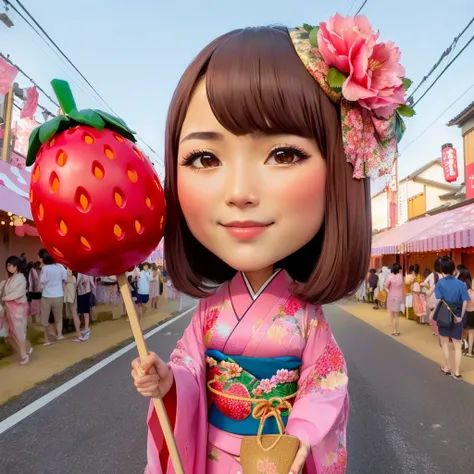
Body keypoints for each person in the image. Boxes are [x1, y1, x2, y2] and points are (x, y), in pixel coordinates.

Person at [130, 14, 410, 473]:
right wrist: (170, 381)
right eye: (205, 157)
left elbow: (326, 383)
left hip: (278, 457)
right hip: (216, 455)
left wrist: (299, 433)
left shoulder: (304, 316)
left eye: (283, 154)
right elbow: (189, 368)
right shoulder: (211, 312)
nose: (239, 192)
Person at [434, 256, 470, 381]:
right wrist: (460, 316)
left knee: (444, 342)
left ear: (442, 269)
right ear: (454, 269)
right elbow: (465, 301)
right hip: (457, 316)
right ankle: (457, 372)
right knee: (458, 344)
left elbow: (438, 300)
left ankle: (447, 367)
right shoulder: (461, 284)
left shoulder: (440, 283)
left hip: (444, 315)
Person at [1, 256, 32, 365]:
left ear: (17, 266)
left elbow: (18, 293)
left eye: (12, 265)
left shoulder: (21, 278)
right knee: (9, 333)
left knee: (19, 332)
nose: (9, 267)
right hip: (9, 309)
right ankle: (24, 353)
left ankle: (24, 354)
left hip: (18, 310)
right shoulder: (8, 280)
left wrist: (5, 298)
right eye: (8, 265)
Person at [38, 248, 67, 346]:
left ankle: (47, 340)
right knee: (58, 317)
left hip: (47, 296)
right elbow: (65, 278)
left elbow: (42, 281)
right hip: (59, 295)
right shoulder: (60, 267)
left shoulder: (45, 269)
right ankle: (59, 335)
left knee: (45, 319)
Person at [385, 263, 404, 336]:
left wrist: (389, 291)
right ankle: (397, 330)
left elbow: (386, 286)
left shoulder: (390, 277)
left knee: (392, 315)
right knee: (397, 315)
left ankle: (394, 331)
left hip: (391, 296)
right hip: (399, 296)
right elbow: (402, 286)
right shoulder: (400, 277)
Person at [76, 272, 95, 340]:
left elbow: (78, 282)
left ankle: (85, 328)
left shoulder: (81, 272)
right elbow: (91, 281)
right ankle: (86, 327)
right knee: (85, 311)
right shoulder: (87, 271)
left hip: (82, 292)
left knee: (83, 311)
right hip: (87, 291)